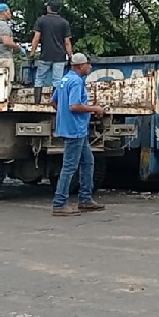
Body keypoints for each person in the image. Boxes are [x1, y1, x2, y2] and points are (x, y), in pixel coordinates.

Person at [51, 53, 107, 217]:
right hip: (75, 130)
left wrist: (64, 116)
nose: (90, 67)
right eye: (88, 64)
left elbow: (53, 101)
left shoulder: (64, 80)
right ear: (80, 66)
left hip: (75, 129)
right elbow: (74, 106)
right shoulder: (76, 82)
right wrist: (95, 109)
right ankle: (59, 203)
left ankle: (85, 199)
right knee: (69, 167)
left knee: (88, 161)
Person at [31, 0, 73, 104]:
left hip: (45, 55)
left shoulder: (41, 20)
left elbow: (36, 39)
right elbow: (67, 42)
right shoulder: (64, 23)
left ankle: (37, 102)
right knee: (57, 80)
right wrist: (71, 56)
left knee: (39, 78)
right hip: (60, 56)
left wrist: (32, 53)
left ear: (49, 8)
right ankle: (55, 103)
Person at [0, 3, 25, 82]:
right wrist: (18, 47)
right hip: (4, 58)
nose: (10, 14)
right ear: (3, 12)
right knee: (6, 83)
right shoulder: (2, 25)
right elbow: (6, 42)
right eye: (8, 11)